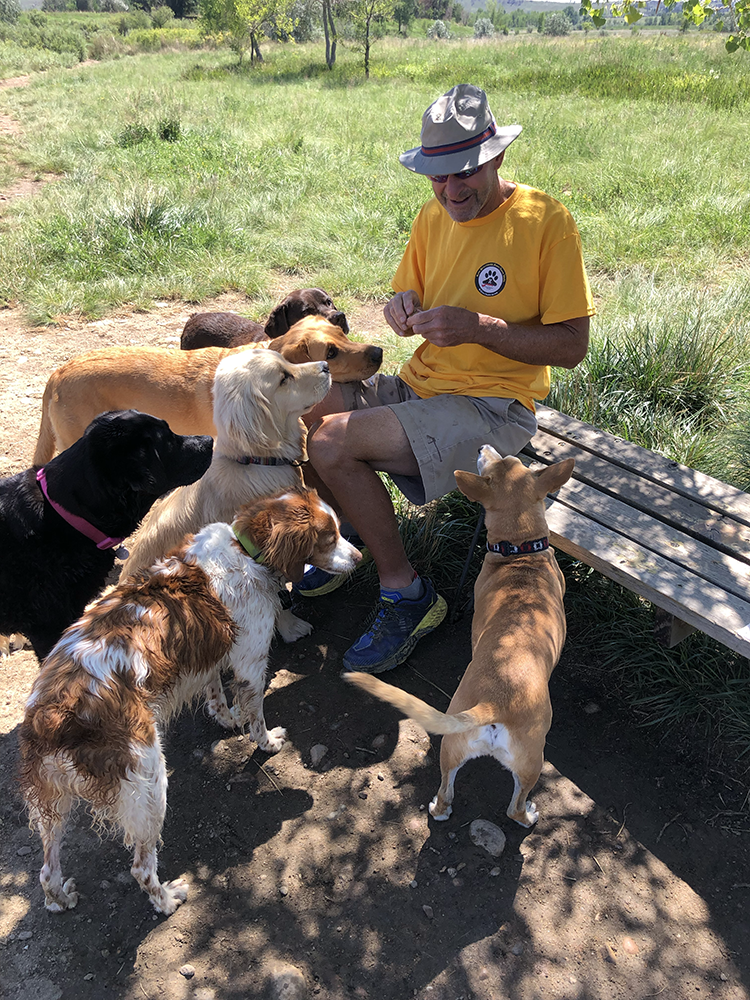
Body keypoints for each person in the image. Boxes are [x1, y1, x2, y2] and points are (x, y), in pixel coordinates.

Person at [298, 84, 595, 675]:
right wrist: (399, 310)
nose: (453, 191)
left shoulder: (546, 221)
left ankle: (407, 593)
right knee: (301, 404)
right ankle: (356, 530)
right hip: (420, 385)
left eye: (466, 174)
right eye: (439, 178)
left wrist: (482, 327)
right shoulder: (432, 218)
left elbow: (572, 346)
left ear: (497, 158)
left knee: (330, 441)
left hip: (492, 408)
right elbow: (404, 296)